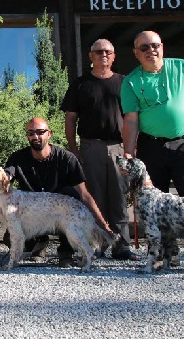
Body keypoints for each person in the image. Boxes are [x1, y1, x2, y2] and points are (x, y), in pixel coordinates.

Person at [120, 30, 184, 275]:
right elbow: (131, 120)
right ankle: (166, 255)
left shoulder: (182, 67)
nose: (150, 50)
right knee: (155, 205)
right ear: (136, 53)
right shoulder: (131, 81)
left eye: (154, 45)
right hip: (151, 147)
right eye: (144, 47)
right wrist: (129, 153)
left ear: (162, 47)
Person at [60, 39, 139, 261]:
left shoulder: (125, 83)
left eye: (108, 52)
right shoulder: (80, 84)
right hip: (90, 146)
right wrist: (73, 148)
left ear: (113, 56)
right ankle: (98, 244)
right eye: (98, 52)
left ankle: (121, 245)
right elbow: (70, 118)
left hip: (118, 148)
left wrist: (130, 150)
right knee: (94, 197)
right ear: (90, 56)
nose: (103, 55)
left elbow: (131, 118)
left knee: (119, 198)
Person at [3, 117, 115, 268]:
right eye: (31, 133)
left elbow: (84, 195)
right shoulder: (17, 157)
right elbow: (5, 177)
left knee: (72, 195)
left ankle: (66, 254)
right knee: (8, 237)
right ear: (27, 136)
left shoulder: (67, 159)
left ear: (49, 134)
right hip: (33, 217)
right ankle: (38, 245)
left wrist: (104, 226)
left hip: (61, 216)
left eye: (40, 132)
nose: (35, 136)